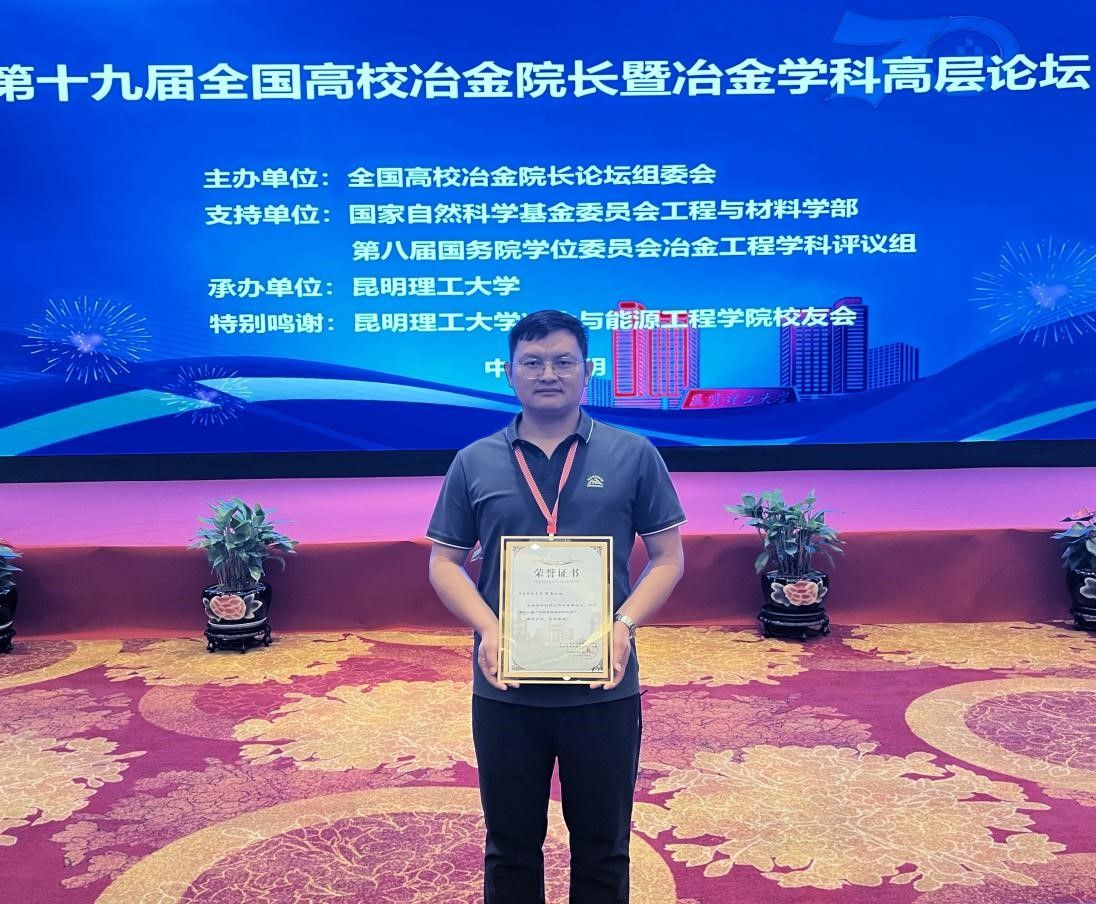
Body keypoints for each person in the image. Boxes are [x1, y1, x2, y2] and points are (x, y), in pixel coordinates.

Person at [427, 310, 686, 903]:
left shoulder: (633, 453)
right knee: (510, 844)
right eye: (533, 362)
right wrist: (488, 627)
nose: (549, 373)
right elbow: (444, 562)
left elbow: (668, 558)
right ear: (509, 373)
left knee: (603, 845)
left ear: (587, 372)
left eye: (564, 361)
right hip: (505, 688)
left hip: (603, 686)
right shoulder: (474, 460)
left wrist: (624, 624)